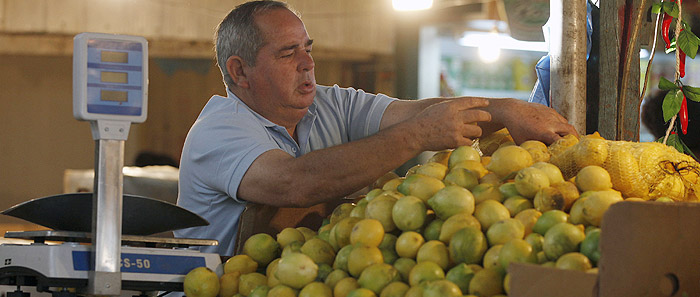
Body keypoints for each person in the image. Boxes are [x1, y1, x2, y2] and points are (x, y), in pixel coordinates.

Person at [175, 0, 578, 256]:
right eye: (287, 53)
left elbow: (414, 111)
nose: (307, 63)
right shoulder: (218, 131)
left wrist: (505, 110)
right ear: (239, 71)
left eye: (307, 48)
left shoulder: (330, 103)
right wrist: (420, 135)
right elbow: (292, 183)